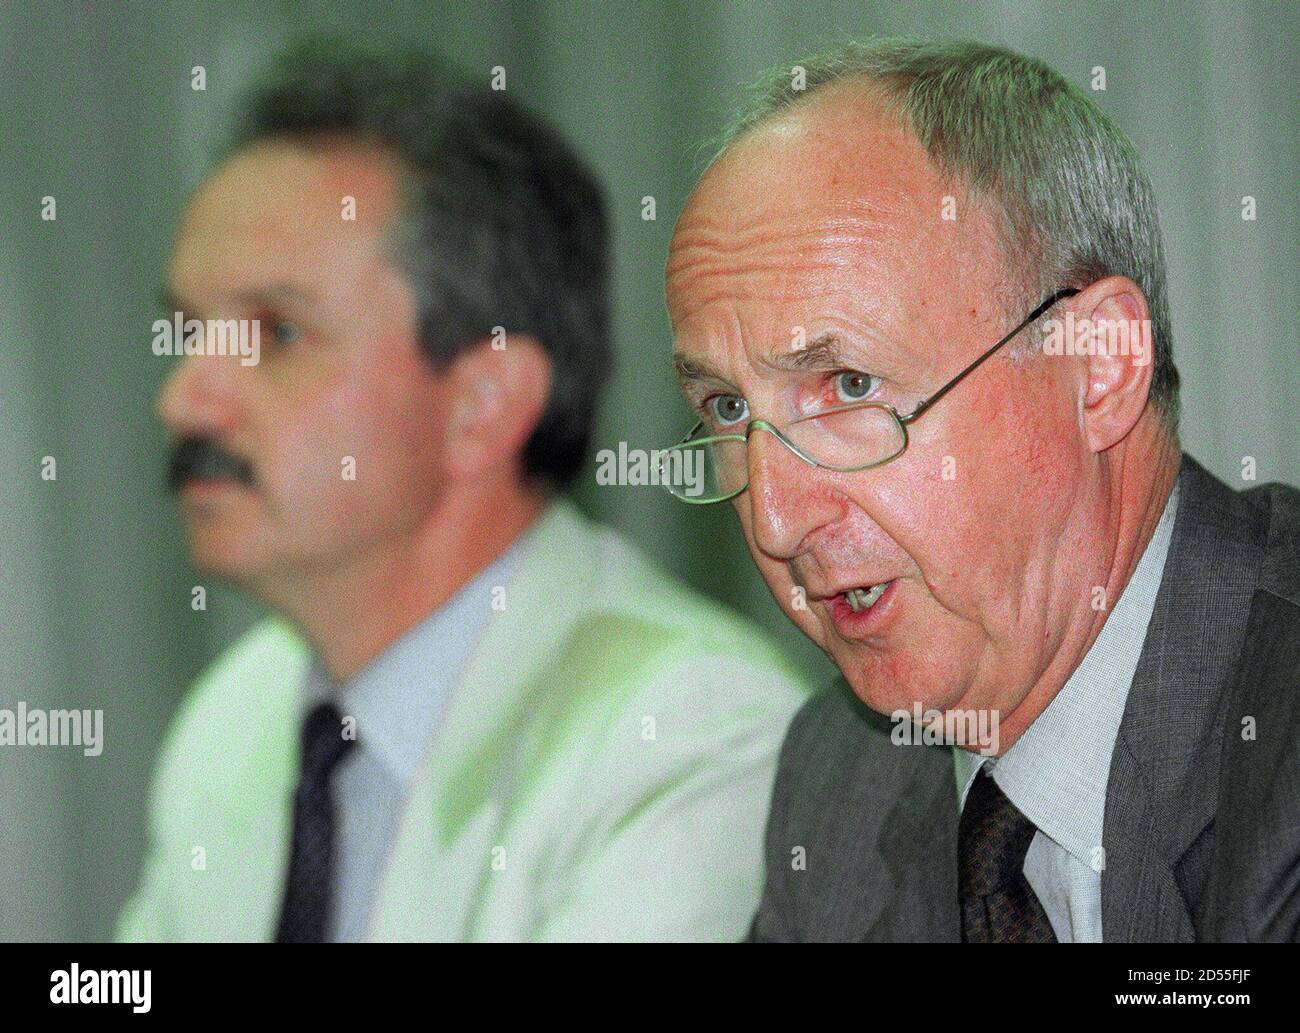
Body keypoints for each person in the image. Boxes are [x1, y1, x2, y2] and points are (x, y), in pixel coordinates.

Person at [118, 38, 810, 943]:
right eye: (188, 331)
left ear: (482, 405)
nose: (184, 395)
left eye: (275, 332)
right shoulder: (235, 718)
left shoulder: (688, 740)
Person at [661, 38, 1299, 942]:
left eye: (848, 387)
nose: (772, 518)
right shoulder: (844, 773)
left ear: (1100, 367)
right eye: (727, 407)